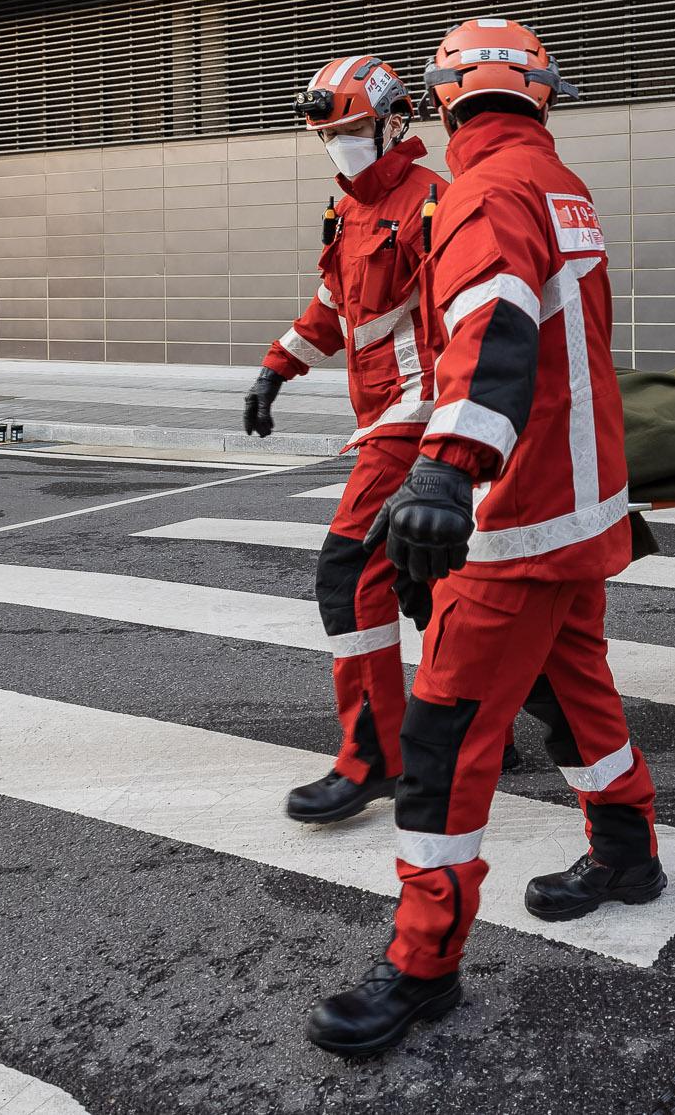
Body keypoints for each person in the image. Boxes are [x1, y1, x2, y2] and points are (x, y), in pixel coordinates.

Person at [308, 18, 655, 1060]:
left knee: (443, 743)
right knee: (578, 691)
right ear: (541, 94)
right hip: (581, 506)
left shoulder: (482, 192)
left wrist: (445, 469)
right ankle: (627, 850)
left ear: (443, 99)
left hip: (516, 519)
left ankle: (423, 962)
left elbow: (492, 328)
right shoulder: (560, 182)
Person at [243, 56, 447, 825]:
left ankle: (375, 757)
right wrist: (273, 371)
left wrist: (443, 432)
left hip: (417, 413)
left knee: (349, 571)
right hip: (381, 418)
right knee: (426, 579)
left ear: (396, 121)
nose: (343, 146)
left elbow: (457, 322)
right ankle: (480, 728)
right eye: (331, 135)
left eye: (355, 130)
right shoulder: (348, 209)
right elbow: (332, 304)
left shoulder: (431, 203)